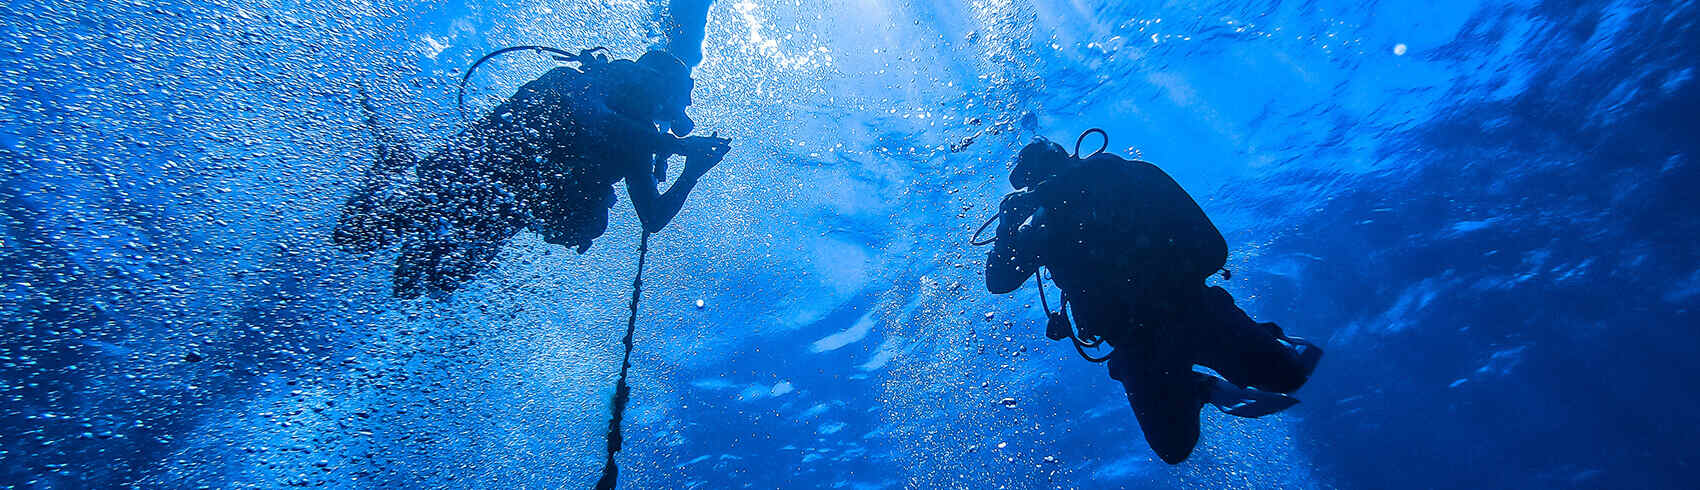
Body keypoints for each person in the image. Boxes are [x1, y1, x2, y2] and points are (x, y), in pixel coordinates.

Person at [983, 133, 1323, 464]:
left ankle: (1265, 339)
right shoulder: (1043, 229)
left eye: (1047, 175)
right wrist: (1007, 230)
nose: (1044, 186)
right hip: (1136, 344)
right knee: (1173, 449)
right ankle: (1200, 388)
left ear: (1071, 161)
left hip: (1193, 309)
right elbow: (998, 282)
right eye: (1035, 182)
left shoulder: (1125, 179)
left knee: (1289, 378)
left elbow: (1213, 249)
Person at [333, 50, 731, 299]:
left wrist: (692, 172)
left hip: (508, 210)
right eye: (665, 109)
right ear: (650, 84)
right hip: (474, 167)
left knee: (417, 283)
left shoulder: (639, 144)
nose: (660, 121)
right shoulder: (577, 83)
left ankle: (394, 173)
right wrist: (678, 148)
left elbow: (652, 218)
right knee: (355, 235)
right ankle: (391, 168)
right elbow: (595, 119)